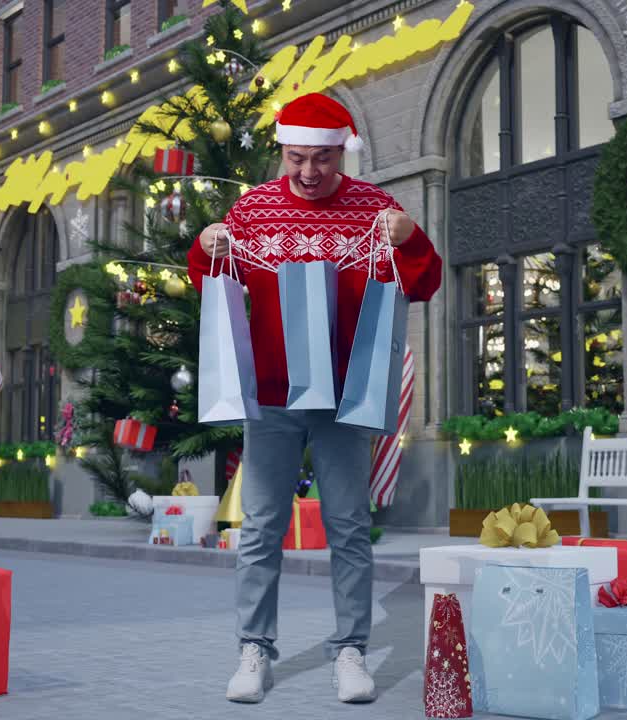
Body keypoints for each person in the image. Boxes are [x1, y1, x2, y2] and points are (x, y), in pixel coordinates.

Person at [187, 92, 442, 704]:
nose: (308, 172)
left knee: (349, 527)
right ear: (283, 151)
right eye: (297, 158)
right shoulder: (252, 210)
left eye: (322, 160)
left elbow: (426, 280)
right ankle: (255, 648)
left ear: (343, 154)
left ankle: (350, 650)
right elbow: (208, 278)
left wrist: (409, 238)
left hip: (346, 394)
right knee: (262, 526)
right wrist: (205, 245)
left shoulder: (377, 209)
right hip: (270, 397)